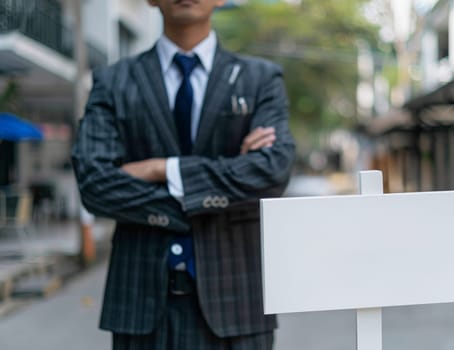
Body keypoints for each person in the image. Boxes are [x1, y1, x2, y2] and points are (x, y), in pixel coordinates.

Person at [71, 0, 295, 349]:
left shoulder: (260, 79)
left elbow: (271, 172)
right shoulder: (112, 82)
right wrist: (223, 186)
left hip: (237, 301)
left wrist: (161, 168)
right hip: (139, 303)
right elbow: (94, 185)